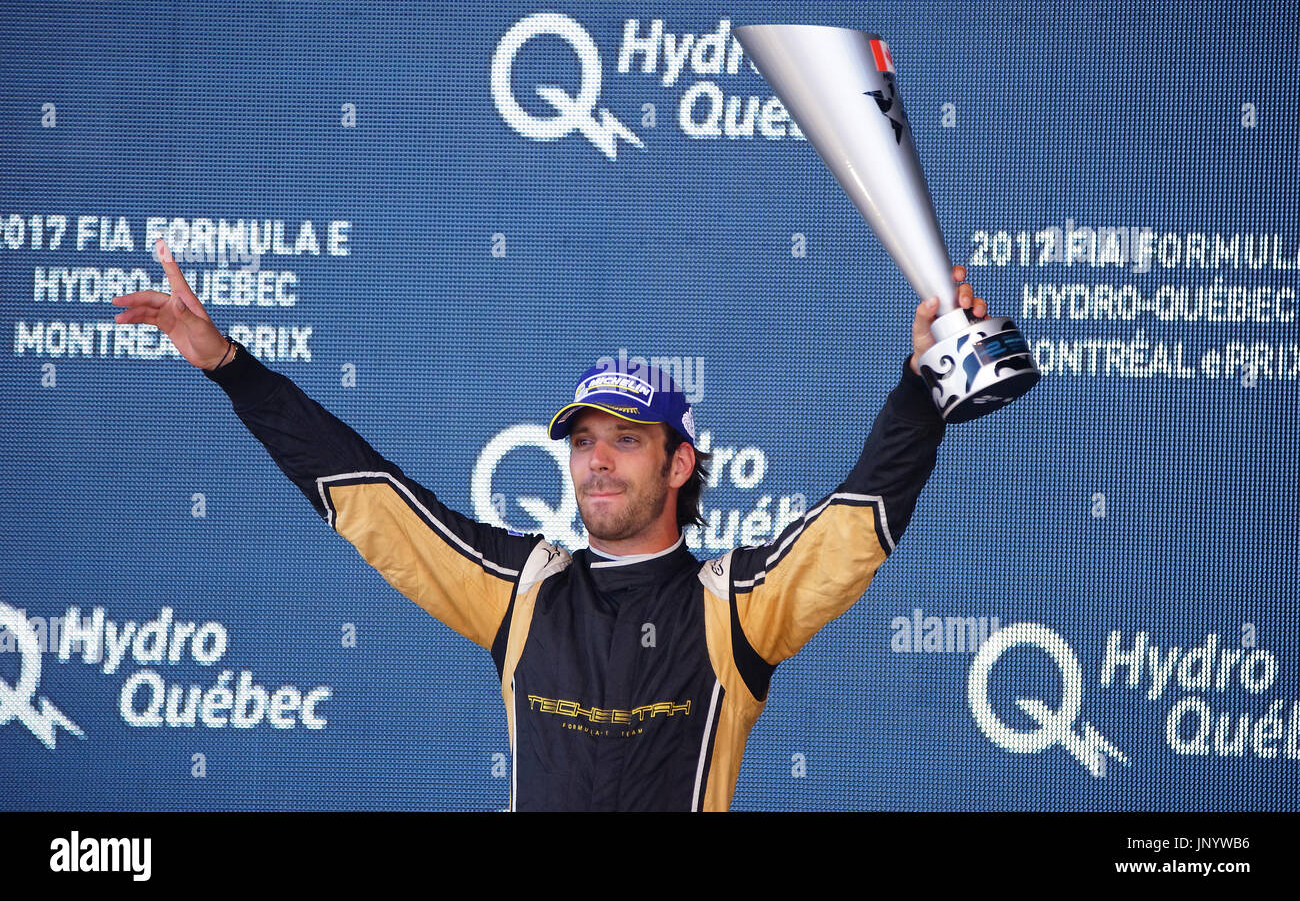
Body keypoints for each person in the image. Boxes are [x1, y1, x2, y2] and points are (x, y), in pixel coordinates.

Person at [113, 237, 988, 811]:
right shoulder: (522, 588)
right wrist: (232, 367)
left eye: (627, 441)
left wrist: (919, 386)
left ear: (680, 465)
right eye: (584, 442)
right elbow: (370, 497)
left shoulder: (735, 606)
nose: (597, 461)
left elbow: (854, 524)